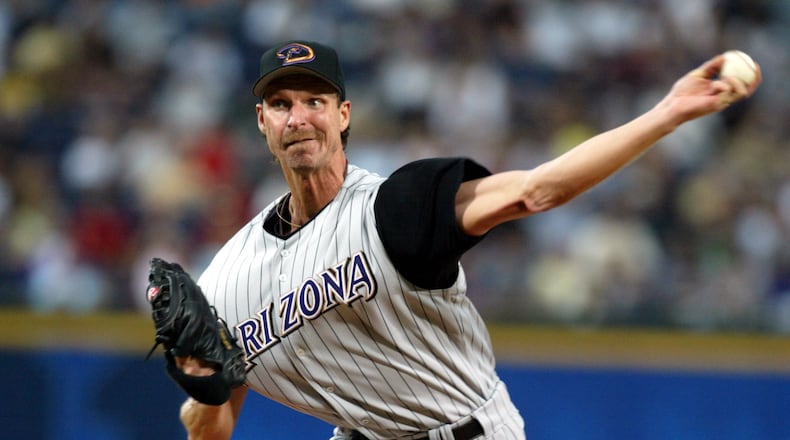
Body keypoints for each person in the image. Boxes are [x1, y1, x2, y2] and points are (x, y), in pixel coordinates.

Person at [172, 40, 761, 439]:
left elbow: (537, 190)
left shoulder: (396, 208)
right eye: (281, 104)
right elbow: (217, 414)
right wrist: (203, 405)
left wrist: (669, 112)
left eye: (314, 102)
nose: (298, 118)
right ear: (262, 121)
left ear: (343, 114)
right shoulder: (225, 281)